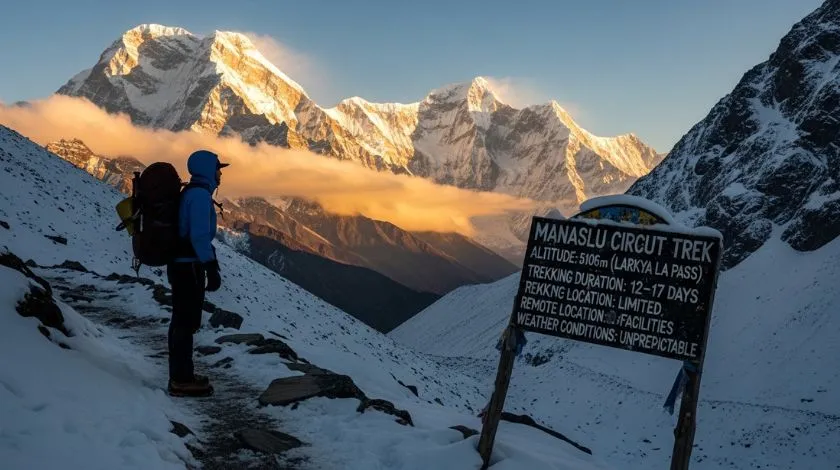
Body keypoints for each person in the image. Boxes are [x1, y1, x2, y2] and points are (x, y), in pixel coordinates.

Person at [167, 150, 228, 397]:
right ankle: (181, 380)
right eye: (218, 168)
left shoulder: (191, 193)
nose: (220, 173)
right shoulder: (200, 197)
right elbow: (200, 236)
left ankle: (181, 374)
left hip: (180, 265)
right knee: (186, 322)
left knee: (180, 320)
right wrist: (211, 267)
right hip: (189, 267)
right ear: (208, 170)